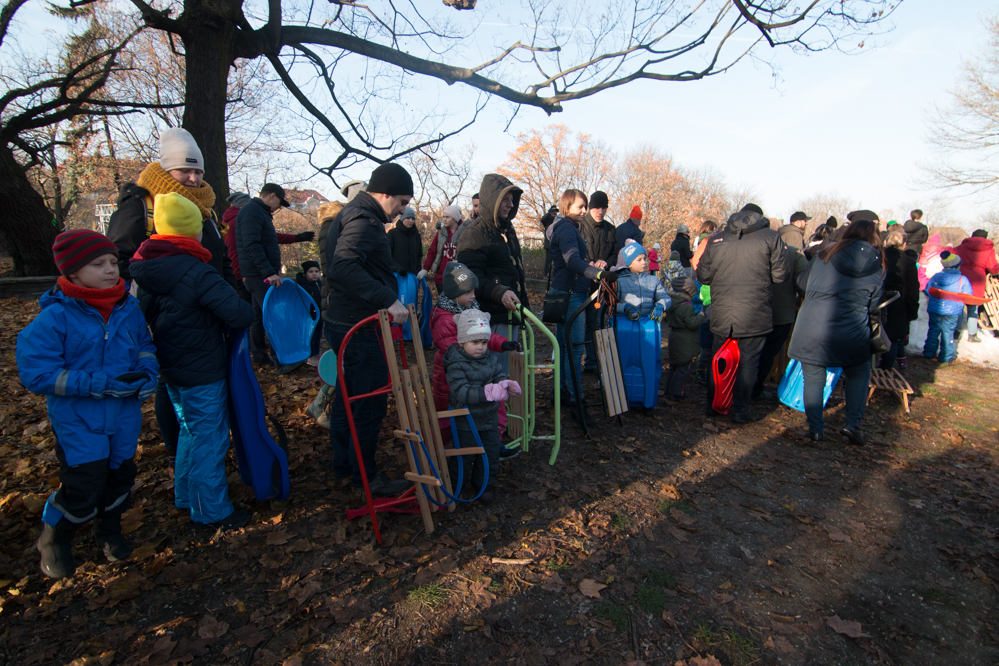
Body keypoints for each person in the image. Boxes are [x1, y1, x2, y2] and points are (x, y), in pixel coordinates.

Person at [16, 230, 158, 579]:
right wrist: (96, 384)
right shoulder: (55, 317)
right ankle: (55, 537)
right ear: (73, 272)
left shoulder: (128, 308)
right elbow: (37, 372)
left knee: (120, 477)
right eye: (98, 264)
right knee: (83, 483)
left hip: (124, 415)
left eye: (113, 262)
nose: (110, 270)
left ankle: (108, 530)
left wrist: (146, 375)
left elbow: (144, 347)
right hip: (78, 418)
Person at [106, 128, 234, 465]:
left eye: (198, 171)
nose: (192, 178)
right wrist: (164, 285)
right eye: (184, 171)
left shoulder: (204, 208)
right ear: (166, 171)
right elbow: (116, 260)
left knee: (191, 376)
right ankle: (180, 447)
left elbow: (218, 257)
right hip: (164, 308)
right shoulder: (142, 205)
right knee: (171, 376)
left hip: (206, 304)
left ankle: (194, 444)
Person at [129, 193, 255, 528]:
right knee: (210, 437)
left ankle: (186, 495)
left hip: (170, 367)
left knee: (188, 430)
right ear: (193, 232)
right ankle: (211, 511)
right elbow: (239, 313)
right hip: (202, 369)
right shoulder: (198, 272)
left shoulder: (146, 270)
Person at [324, 162, 413, 497]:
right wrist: (388, 298)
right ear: (385, 192)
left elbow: (360, 262)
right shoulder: (364, 219)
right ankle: (366, 478)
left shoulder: (358, 213)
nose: (403, 209)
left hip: (345, 321)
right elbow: (344, 267)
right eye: (401, 201)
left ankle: (345, 468)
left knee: (348, 398)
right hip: (358, 327)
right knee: (368, 404)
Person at [787, 217, 885, 445]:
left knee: (813, 377)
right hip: (853, 327)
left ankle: (815, 428)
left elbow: (802, 282)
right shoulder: (878, 265)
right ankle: (852, 424)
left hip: (813, 323)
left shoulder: (825, 254)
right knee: (859, 373)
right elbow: (874, 304)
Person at [696, 203, 789, 423]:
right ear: (760, 216)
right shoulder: (770, 237)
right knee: (748, 361)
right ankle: (741, 408)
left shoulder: (717, 238)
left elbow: (703, 275)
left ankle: (713, 404)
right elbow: (780, 275)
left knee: (718, 358)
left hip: (722, 310)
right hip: (754, 311)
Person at [546, 188, 618, 425]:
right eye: (581, 207)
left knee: (565, 348)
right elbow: (572, 261)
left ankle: (563, 393)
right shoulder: (566, 228)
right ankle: (577, 403)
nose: (585, 211)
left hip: (565, 293)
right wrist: (598, 273)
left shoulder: (566, 227)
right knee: (575, 350)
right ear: (567, 207)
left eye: (586, 206)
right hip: (570, 296)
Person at [431, 262, 518, 449]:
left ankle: (493, 440)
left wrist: (501, 342)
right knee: (449, 414)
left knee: (485, 405)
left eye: (474, 291)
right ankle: (443, 448)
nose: (473, 295)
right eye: (467, 292)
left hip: (474, 371)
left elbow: (480, 334)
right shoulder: (444, 319)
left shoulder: (471, 310)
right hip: (452, 376)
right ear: (454, 293)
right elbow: (455, 347)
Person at [444, 309, 521, 503]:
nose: (480, 347)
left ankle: (484, 486)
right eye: (475, 342)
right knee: (464, 455)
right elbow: (461, 391)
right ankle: (457, 487)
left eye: (484, 342)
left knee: (490, 454)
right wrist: (487, 392)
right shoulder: (456, 363)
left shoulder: (490, 359)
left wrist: (505, 384)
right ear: (462, 342)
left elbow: (498, 374)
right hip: (466, 420)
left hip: (488, 418)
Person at [455, 173, 531, 361]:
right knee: (496, 374)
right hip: (490, 317)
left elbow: (516, 273)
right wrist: (499, 292)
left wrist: (525, 307)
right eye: (505, 200)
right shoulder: (475, 233)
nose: (510, 205)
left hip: (510, 314)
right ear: (492, 200)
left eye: (512, 200)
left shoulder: (507, 230)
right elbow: (468, 277)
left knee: (509, 374)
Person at [235, 183, 304, 370]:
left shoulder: (260, 213)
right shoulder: (252, 212)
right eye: (280, 202)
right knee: (272, 315)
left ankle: (260, 355)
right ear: (272, 196)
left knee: (258, 316)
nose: (280, 207)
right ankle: (282, 360)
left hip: (257, 274)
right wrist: (269, 272)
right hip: (259, 275)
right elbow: (252, 245)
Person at [223, 191, 315, 304]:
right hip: (248, 269)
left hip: (238, 268)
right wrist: (268, 272)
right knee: (265, 309)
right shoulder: (246, 216)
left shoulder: (229, 220)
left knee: (255, 313)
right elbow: (259, 241)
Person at [752, 244, 806, 400]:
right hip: (779, 313)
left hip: (749, 311)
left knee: (748, 351)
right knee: (767, 353)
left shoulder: (745, 246)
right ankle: (754, 389)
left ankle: (739, 389)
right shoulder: (794, 254)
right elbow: (803, 284)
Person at [579, 190, 618, 373]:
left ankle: (593, 363)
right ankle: (573, 362)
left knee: (595, 324)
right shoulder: (579, 226)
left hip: (601, 287)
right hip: (581, 283)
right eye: (596, 207)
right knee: (578, 324)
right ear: (589, 208)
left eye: (603, 208)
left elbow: (615, 255)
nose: (600, 211)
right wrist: (588, 264)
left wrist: (607, 263)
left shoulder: (611, 229)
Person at [923, 251, 973, 363]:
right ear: (957, 265)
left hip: (935, 309)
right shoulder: (962, 279)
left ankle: (928, 353)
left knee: (933, 330)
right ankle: (946, 356)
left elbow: (928, 290)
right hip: (953, 311)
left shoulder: (936, 277)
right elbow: (968, 295)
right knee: (948, 332)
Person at [881, 230, 919, 371]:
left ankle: (873, 371)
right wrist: (912, 311)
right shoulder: (908, 262)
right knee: (893, 339)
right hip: (897, 304)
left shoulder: (879, 256)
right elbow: (912, 289)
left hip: (877, 299)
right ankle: (886, 370)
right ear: (904, 245)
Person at [952, 229, 999, 343]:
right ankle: (972, 334)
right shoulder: (989, 250)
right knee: (973, 308)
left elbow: (951, 254)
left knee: (959, 306)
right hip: (978, 280)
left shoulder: (963, 246)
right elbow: (993, 268)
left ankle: (957, 332)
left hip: (962, 278)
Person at [664, 277, 703, 402]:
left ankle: (668, 389)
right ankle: (676, 393)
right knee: (683, 369)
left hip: (674, 337)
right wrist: (700, 316)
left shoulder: (672, 303)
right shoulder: (686, 307)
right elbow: (692, 323)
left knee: (673, 366)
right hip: (685, 341)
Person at [420, 204, 463, 294]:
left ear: (455, 218)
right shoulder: (440, 233)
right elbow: (432, 252)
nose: (444, 219)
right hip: (441, 276)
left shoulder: (464, 232)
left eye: (447, 217)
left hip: (459, 276)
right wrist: (425, 269)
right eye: (443, 217)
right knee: (443, 304)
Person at [296, 260, 323, 364]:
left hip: (319, 315)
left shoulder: (319, 284)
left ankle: (316, 353)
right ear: (305, 273)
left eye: (316, 271)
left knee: (318, 336)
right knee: (311, 336)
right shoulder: (304, 286)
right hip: (310, 316)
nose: (314, 274)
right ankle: (310, 356)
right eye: (311, 271)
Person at [388, 206, 423, 276]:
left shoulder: (416, 236)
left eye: (413, 219)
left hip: (412, 276)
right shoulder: (392, 234)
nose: (411, 221)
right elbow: (387, 255)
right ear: (402, 219)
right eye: (408, 218)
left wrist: (418, 270)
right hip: (396, 275)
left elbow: (419, 256)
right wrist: (398, 269)